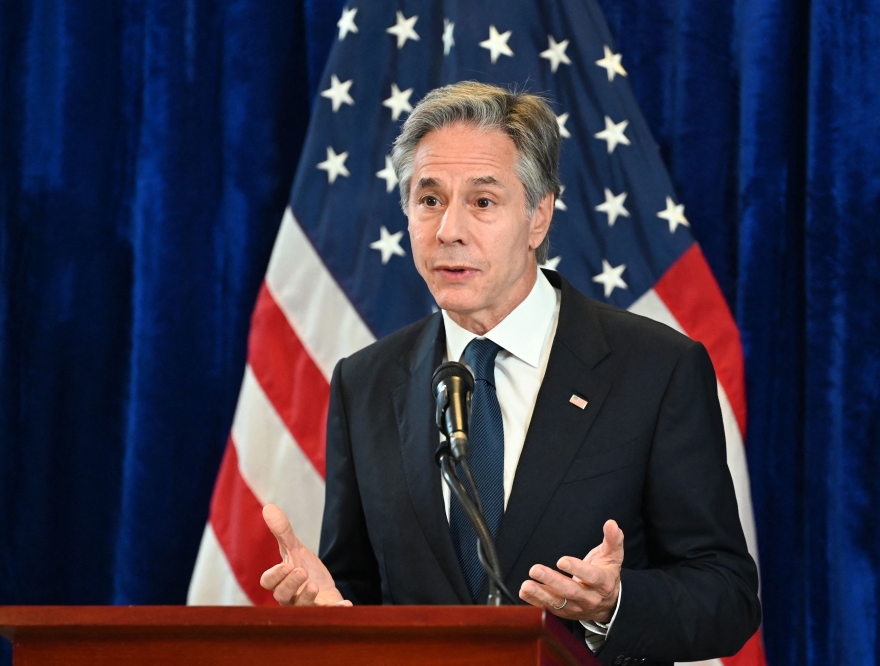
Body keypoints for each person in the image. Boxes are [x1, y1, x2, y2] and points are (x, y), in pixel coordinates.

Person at [258, 81, 760, 665]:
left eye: (483, 201)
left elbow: (726, 594)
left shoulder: (655, 368)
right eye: (429, 200)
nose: (449, 229)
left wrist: (614, 604)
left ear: (538, 216)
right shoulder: (365, 383)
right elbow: (361, 590)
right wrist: (332, 613)